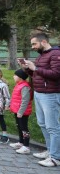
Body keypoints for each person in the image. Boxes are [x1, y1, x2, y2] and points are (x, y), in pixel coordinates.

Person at [21, 32, 60, 167]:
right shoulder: (42, 55)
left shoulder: (55, 54)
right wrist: (28, 70)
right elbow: (37, 74)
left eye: (34, 44)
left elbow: (56, 74)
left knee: (52, 126)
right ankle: (50, 150)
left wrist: (35, 68)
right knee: (42, 124)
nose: (32, 47)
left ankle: (55, 157)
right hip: (39, 92)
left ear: (43, 42)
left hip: (50, 95)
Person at [9, 69, 33, 155]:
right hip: (17, 110)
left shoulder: (25, 87)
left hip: (22, 112)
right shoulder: (18, 85)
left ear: (20, 77)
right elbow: (15, 98)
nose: (13, 76)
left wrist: (21, 111)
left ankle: (26, 146)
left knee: (24, 128)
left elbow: (25, 101)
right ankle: (21, 142)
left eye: (15, 75)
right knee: (19, 126)